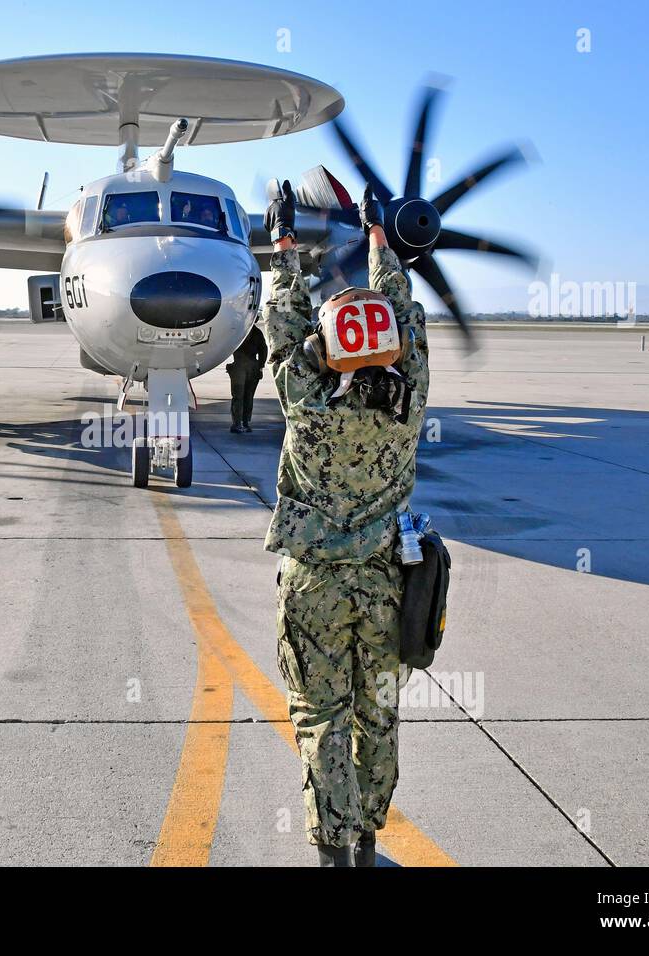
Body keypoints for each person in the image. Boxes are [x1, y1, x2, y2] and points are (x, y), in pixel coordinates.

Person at [259, 180, 430, 867]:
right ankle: (366, 834)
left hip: (313, 588)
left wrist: (285, 247)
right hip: (386, 584)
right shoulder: (408, 408)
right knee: (377, 712)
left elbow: (281, 329)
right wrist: (381, 237)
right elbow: (405, 319)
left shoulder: (307, 406)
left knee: (320, 717)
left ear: (327, 348)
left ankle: (331, 844)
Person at [227, 325, 266, 433]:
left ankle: (237, 423)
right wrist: (260, 366)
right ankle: (245, 423)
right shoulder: (257, 332)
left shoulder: (237, 330)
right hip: (253, 366)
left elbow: (226, 346)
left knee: (238, 396)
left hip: (240, 366)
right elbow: (263, 350)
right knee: (248, 396)